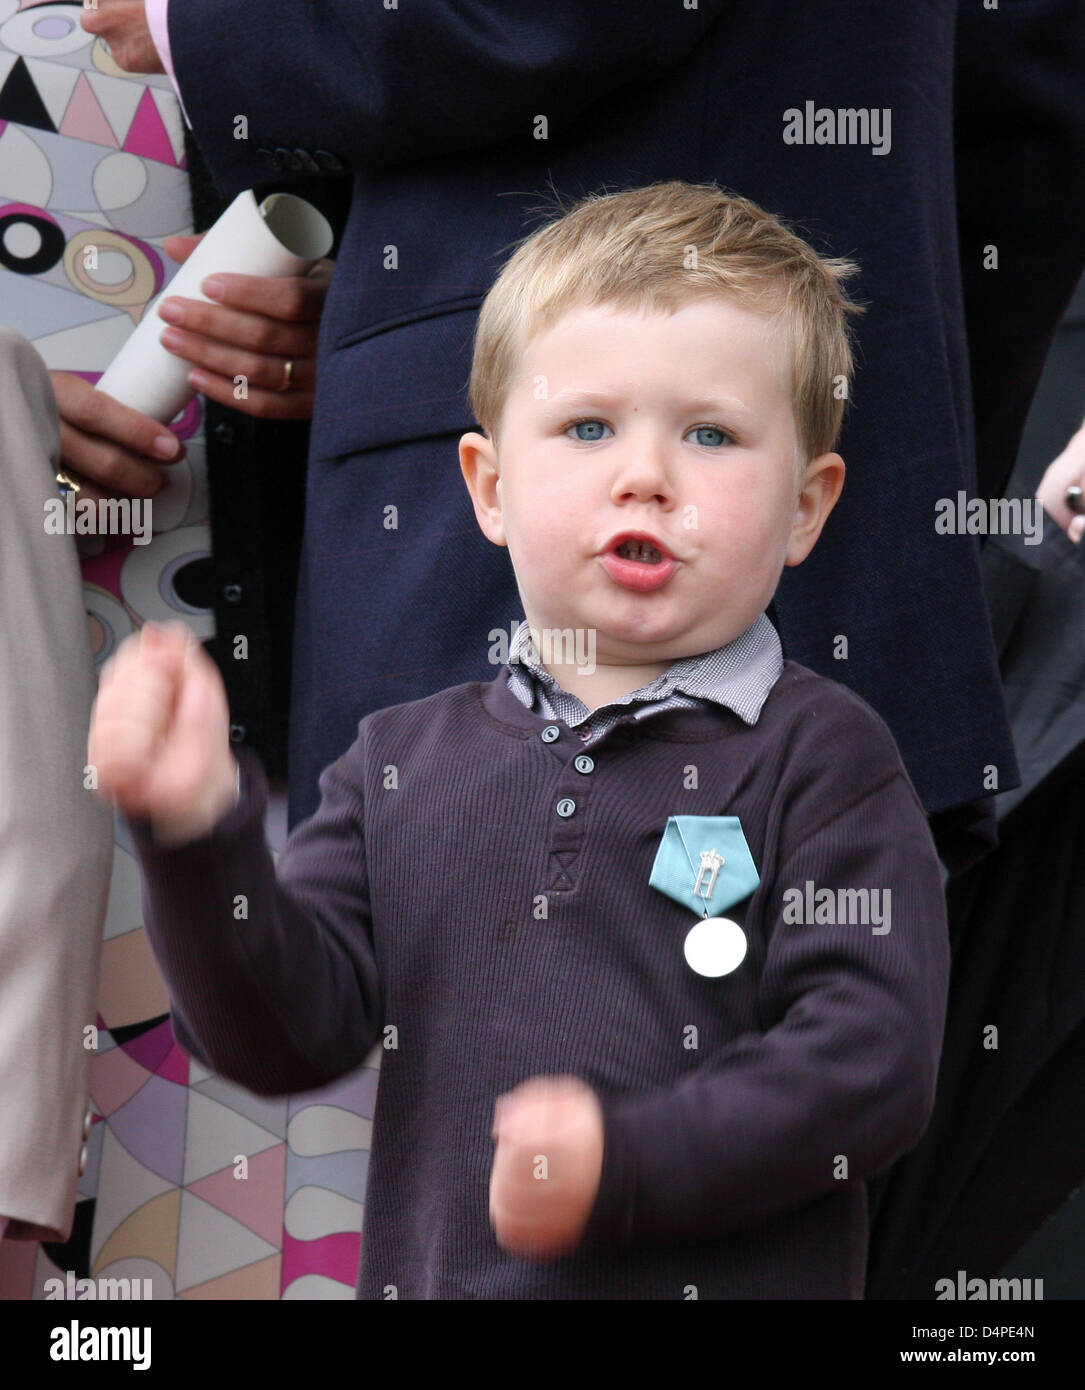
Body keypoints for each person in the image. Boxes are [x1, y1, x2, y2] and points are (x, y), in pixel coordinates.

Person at [86, 182, 951, 1298]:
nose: (644, 472)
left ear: (804, 505)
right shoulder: (396, 763)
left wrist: (623, 1162)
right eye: (587, 426)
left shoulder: (826, 759)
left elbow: (870, 1067)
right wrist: (196, 834)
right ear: (489, 486)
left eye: (710, 433)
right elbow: (280, 1031)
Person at [81, 0, 1085, 879]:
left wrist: (201, 24)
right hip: (844, 578)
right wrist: (902, 500)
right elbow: (1020, 113)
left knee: (528, 1051)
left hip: (556, 591)